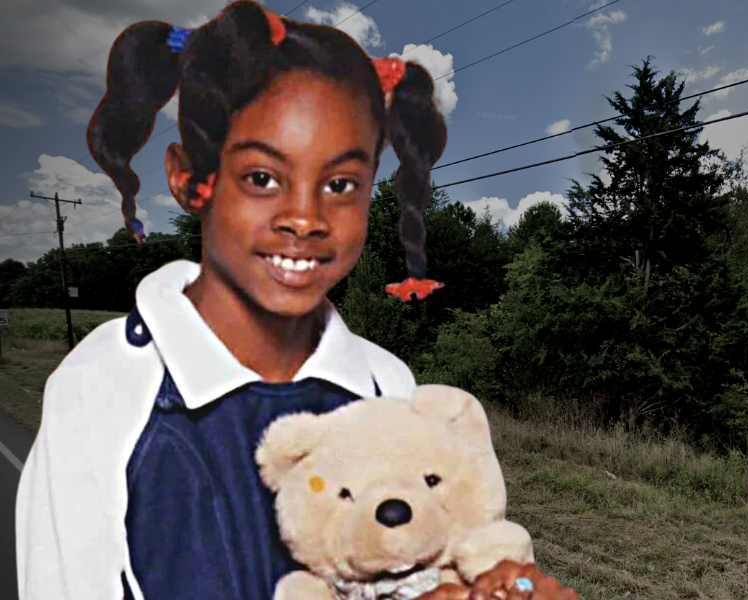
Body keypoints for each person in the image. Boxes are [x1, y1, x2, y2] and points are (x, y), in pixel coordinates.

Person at [14, 2, 447, 598]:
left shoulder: (387, 385)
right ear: (189, 178)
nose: (304, 217)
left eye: (340, 183)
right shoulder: (103, 387)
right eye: (262, 178)